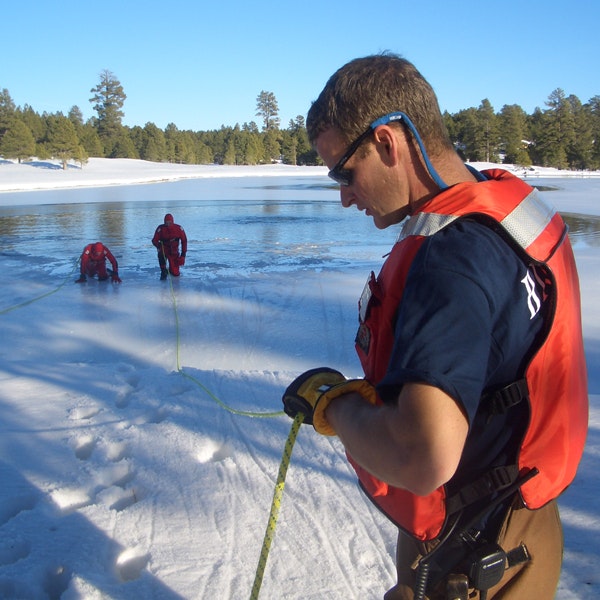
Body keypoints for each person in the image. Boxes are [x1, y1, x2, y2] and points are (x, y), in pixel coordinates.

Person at [282, 53, 588, 600]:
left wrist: (336, 406)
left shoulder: (451, 261)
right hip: (530, 524)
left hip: (470, 554)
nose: (343, 195)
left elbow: (423, 457)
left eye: (344, 173)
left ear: (387, 143)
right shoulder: (507, 205)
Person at [152, 213, 187, 280]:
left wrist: (183, 255)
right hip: (163, 251)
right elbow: (154, 240)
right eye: (166, 222)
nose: (168, 224)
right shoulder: (160, 228)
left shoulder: (179, 228)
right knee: (163, 274)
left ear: (172, 221)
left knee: (175, 274)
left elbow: (184, 241)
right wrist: (158, 246)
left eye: (169, 222)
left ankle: (172, 270)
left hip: (174, 252)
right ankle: (164, 271)